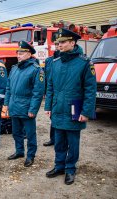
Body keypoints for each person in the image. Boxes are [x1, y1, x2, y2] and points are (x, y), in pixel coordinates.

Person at [45, 28, 96, 185]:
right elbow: (51, 86)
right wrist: (48, 106)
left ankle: (70, 169)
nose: (59, 45)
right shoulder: (55, 63)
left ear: (73, 43)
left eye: (63, 42)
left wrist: (86, 111)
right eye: (58, 42)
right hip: (58, 108)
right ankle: (59, 166)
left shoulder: (84, 63)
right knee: (59, 140)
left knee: (73, 142)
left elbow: (90, 90)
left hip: (75, 108)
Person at [4, 41, 44, 167]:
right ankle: (19, 151)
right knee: (16, 132)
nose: (18, 55)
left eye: (21, 53)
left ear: (29, 54)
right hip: (14, 106)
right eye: (18, 52)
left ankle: (31, 155)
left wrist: (33, 109)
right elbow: (8, 88)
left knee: (30, 133)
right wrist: (6, 104)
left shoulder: (36, 70)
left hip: (27, 108)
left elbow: (38, 92)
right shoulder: (14, 68)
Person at [43, 40, 60, 147]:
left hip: (60, 92)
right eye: (57, 44)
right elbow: (45, 77)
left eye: (60, 44)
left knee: (60, 118)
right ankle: (53, 139)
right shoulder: (49, 60)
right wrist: (45, 92)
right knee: (52, 117)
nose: (58, 46)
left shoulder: (63, 60)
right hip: (51, 92)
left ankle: (60, 140)